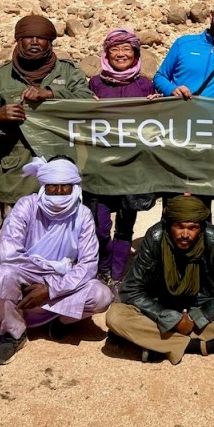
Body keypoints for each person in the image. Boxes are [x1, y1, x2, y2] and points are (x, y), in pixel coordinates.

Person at [0, 157, 112, 365]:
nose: (58, 192)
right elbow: (8, 254)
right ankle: (14, 332)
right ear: (43, 184)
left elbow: (88, 265)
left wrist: (51, 288)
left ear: (74, 186)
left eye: (65, 186)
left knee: (101, 295)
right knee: (2, 275)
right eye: (52, 186)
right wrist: (45, 274)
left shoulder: (83, 214)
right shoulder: (27, 206)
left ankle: (63, 321)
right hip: (27, 280)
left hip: (61, 284)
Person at [106, 196, 214, 364]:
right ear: (168, 226)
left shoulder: (211, 238)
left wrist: (198, 316)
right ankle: (202, 345)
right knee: (115, 317)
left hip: (201, 306)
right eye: (179, 226)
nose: (185, 234)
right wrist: (171, 319)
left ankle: (158, 342)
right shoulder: (156, 237)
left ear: (201, 228)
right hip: (161, 306)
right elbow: (131, 289)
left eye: (192, 228)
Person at [0, 14, 92, 221]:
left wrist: (51, 95)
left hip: (62, 169)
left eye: (40, 38)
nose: (34, 42)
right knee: (18, 234)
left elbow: (87, 103)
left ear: (49, 42)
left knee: (63, 233)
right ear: (18, 40)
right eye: (28, 37)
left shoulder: (69, 73)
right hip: (18, 173)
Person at [87, 27, 155, 291]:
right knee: (100, 227)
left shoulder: (145, 85)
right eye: (114, 49)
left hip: (133, 168)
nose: (121, 54)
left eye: (127, 49)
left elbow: (154, 126)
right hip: (101, 168)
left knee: (125, 226)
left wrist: (157, 107)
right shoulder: (95, 84)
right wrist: (85, 103)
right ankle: (102, 270)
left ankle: (116, 276)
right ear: (106, 54)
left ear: (136, 54)